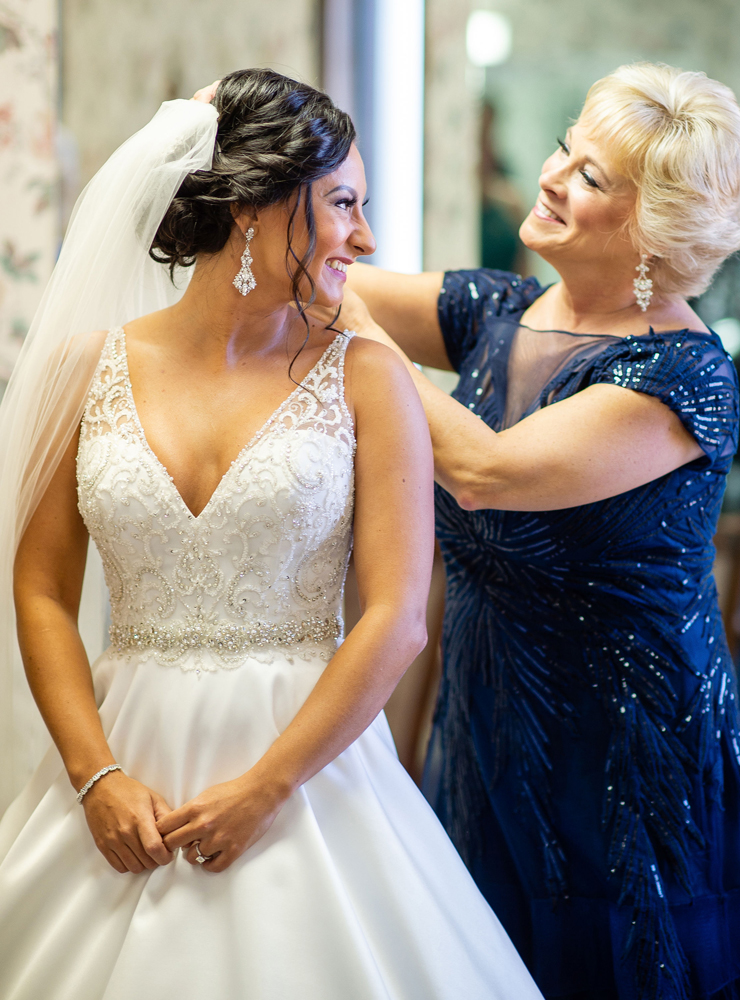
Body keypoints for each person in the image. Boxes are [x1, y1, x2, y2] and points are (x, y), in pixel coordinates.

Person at [0, 69, 542, 1000]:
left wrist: (267, 788)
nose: (365, 237)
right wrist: (96, 779)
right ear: (255, 204)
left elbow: (397, 617)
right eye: (342, 203)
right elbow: (42, 587)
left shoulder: (368, 377)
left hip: (309, 769)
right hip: (120, 760)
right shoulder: (83, 368)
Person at [339, 63, 740, 999]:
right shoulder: (495, 312)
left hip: (624, 758)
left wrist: (340, 308)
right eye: (563, 149)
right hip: (486, 730)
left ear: (653, 231)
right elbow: (338, 284)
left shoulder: (678, 374)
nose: (548, 177)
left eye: (589, 177)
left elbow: (485, 473)